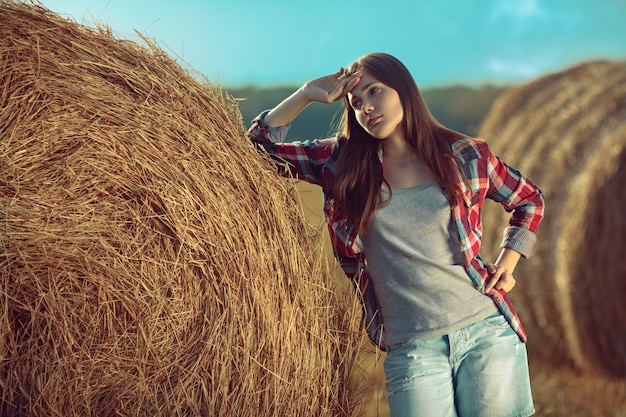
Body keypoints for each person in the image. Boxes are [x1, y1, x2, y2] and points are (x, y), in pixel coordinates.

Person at [246, 52, 544, 417]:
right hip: (412, 347)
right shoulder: (340, 164)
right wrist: (307, 93)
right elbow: (257, 149)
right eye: (356, 103)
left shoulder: (466, 155)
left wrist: (508, 262)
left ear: (403, 89)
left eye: (375, 92)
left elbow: (529, 200)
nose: (366, 107)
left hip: (487, 333)